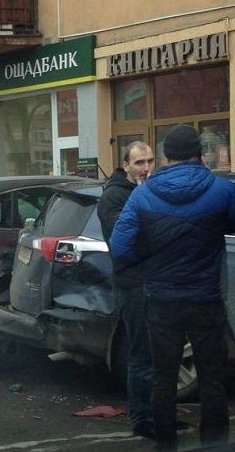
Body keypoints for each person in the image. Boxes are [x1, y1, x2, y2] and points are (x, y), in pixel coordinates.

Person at [111, 125, 235, 450]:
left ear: (165, 156)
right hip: (206, 299)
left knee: (163, 378)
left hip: (162, 300)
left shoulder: (143, 194)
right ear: (201, 154)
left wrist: (152, 261)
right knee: (211, 379)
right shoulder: (222, 190)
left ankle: (166, 446)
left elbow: (121, 246)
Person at [97, 141, 156, 440]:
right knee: (142, 354)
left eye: (149, 161)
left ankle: (159, 416)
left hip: (155, 282)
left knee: (159, 353)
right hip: (134, 283)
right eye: (139, 163)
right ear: (126, 165)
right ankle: (143, 420)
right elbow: (126, 243)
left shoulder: (145, 190)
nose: (145, 168)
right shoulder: (114, 197)